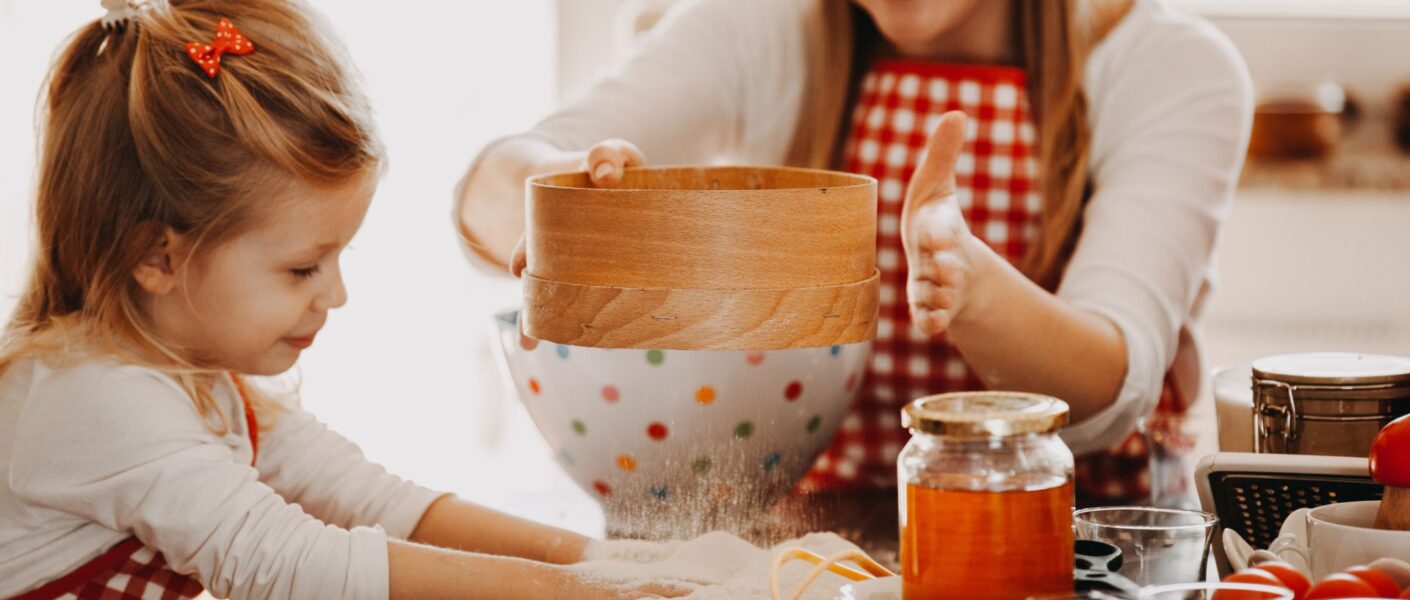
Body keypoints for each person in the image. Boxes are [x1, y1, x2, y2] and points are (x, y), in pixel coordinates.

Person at [0, 1, 695, 597]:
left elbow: (376, 504)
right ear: (159, 257)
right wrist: (584, 590)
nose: (336, 294)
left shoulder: (200, 377)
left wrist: (606, 563)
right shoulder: (91, 397)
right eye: (303, 268)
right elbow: (293, 566)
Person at [455, 0, 1253, 506]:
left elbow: (1109, 386)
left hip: (1073, 550)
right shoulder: (763, 26)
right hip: (806, 549)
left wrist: (975, 293)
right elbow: (490, 185)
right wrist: (550, 198)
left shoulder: (1172, 67)